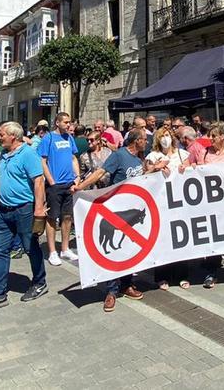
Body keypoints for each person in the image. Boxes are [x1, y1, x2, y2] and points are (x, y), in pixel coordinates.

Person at [0, 121, 48, 314]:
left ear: (13, 136)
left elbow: (39, 181)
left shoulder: (28, 154)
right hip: (3, 211)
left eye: (1, 134)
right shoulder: (4, 154)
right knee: (0, 251)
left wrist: (39, 208)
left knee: (30, 247)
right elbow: (5, 177)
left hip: (24, 209)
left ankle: (40, 282)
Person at [76, 127, 146, 311]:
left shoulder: (138, 157)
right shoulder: (119, 155)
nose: (146, 141)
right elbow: (100, 172)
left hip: (131, 211)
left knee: (129, 248)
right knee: (114, 252)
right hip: (117, 209)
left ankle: (127, 284)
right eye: (144, 139)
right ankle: (111, 291)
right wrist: (81, 187)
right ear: (136, 141)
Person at [190, 123, 224, 288]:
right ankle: (211, 272)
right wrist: (191, 167)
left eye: (214, 136)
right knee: (213, 236)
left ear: (222, 137)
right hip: (211, 203)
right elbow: (193, 168)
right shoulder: (205, 153)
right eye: (210, 136)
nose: (210, 139)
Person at [147, 126, 193, 289]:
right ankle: (162, 276)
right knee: (163, 239)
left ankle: (182, 275)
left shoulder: (182, 154)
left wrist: (186, 169)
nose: (165, 138)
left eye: (167, 135)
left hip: (180, 202)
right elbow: (145, 176)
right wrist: (155, 168)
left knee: (181, 237)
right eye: (161, 136)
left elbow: (194, 171)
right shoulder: (153, 156)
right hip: (161, 203)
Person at [38, 112, 79, 266]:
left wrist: (78, 176)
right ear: (57, 122)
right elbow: (43, 160)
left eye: (70, 122)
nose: (69, 125)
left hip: (69, 183)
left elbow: (73, 158)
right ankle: (52, 251)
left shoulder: (69, 138)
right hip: (55, 185)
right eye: (66, 122)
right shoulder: (48, 138)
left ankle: (65, 248)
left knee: (67, 217)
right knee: (52, 218)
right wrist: (51, 181)